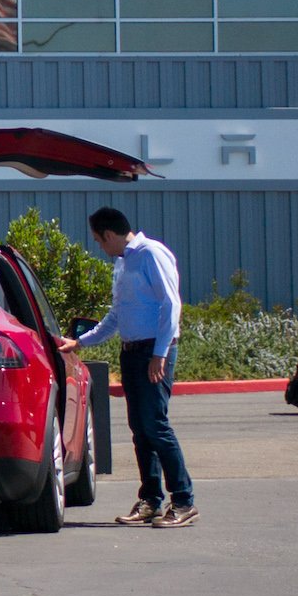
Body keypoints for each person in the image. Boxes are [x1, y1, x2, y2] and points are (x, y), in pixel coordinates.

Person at [65, 208, 194, 528]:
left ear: (109, 234)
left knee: (156, 426)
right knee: (140, 428)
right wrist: (81, 342)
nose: (100, 247)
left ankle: (183, 500)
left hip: (153, 351)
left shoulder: (151, 254)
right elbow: (117, 315)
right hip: (132, 352)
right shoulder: (123, 263)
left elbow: (171, 304)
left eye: (99, 241)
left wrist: (160, 354)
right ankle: (151, 499)